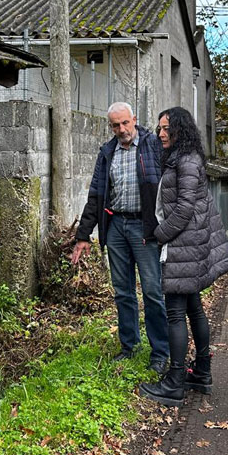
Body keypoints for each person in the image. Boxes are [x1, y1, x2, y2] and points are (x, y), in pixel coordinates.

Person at [139, 107, 228, 407]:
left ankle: (175, 381)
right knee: (194, 308)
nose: (161, 133)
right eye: (159, 128)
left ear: (181, 128)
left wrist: (158, 234)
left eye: (167, 127)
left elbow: (184, 209)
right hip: (188, 245)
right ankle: (201, 372)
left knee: (176, 313)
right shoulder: (184, 158)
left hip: (183, 246)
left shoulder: (187, 160)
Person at [72, 102, 170, 373]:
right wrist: (83, 235)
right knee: (123, 292)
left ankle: (160, 352)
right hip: (115, 225)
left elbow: (171, 185)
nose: (122, 129)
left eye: (125, 123)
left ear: (134, 120)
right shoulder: (107, 152)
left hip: (145, 228)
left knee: (151, 291)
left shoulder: (152, 145)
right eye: (115, 125)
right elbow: (95, 195)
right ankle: (130, 347)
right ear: (110, 126)